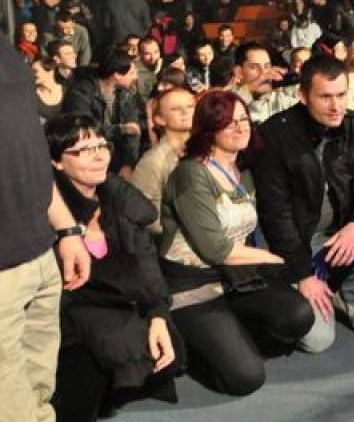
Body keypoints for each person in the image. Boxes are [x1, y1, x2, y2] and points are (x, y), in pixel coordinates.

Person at [159, 91, 322, 398]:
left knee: (298, 316)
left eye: (244, 119)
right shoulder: (191, 174)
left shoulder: (244, 170)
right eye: (228, 123)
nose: (241, 127)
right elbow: (215, 250)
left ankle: (229, 333)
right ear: (209, 130)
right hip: (193, 283)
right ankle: (191, 344)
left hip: (236, 277)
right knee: (246, 378)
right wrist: (276, 259)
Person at [44, 115, 178, 422]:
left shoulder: (119, 198)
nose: (99, 155)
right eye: (83, 150)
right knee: (108, 343)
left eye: (101, 145)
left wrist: (158, 313)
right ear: (56, 162)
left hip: (116, 300)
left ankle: (108, 389)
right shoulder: (46, 210)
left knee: (168, 344)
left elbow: (146, 263)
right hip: (67, 307)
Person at [254, 55, 354, 334]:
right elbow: (276, 215)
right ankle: (309, 284)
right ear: (303, 95)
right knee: (317, 339)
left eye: (341, 95)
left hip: (340, 229)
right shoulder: (274, 134)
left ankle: (353, 298)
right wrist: (303, 274)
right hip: (299, 242)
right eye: (325, 97)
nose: (336, 105)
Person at [0, 42, 93, 422]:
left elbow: (29, 148)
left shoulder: (6, 51)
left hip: (39, 252)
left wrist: (66, 227)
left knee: (38, 396)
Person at [62, 50, 145, 174]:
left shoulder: (126, 93)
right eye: (132, 73)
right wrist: (121, 129)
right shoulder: (82, 93)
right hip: (89, 156)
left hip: (117, 157)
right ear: (117, 75)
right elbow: (85, 130)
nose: (136, 77)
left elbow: (133, 131)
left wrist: (128, 164)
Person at [130, 88, 196, 234]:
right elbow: (140, 213)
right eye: (175, 109)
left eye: (190, 106)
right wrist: (167, 231)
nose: (185, 112)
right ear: (159, 119)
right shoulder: (153, 161)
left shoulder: (206, 150)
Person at [232, 42, 298, 123]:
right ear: (239, 72)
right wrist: (251, 87)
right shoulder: (229, 99)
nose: (263, 73)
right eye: (254, 67)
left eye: (267, 66)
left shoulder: (282, 99)